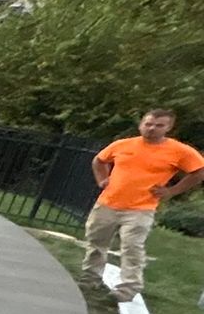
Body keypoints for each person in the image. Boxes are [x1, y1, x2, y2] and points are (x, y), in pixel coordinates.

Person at [82, 108, 204, 302]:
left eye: (159, 125)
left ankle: (128, 288)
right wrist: (102, 180)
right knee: (96, 242)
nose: (152, 128)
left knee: (132, 247)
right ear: (141, 124)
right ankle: (90, 279)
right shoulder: (123, 144)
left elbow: (198, 172)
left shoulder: (179, 151)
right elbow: (99, 160)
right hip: (108, 203)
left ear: (168, 128)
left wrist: (172, 191)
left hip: (141, 208)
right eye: (148, 124)